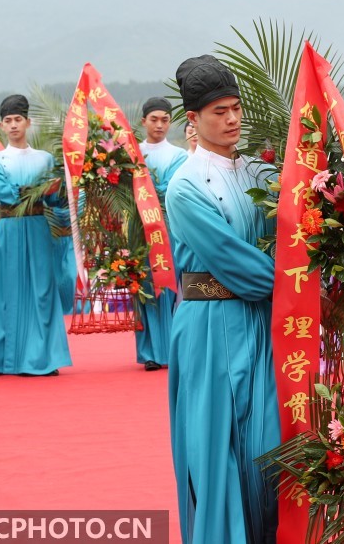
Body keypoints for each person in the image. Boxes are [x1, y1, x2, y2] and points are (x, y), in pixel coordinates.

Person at [166, 55, 279, 543]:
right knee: (217, 449)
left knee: (268, 444)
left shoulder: (259, 172)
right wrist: (303, 284)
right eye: (218, 112)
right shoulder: (184, 185)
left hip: (263, 322)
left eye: (235, 108)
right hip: (210, 326)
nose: (231, 119)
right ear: (193, 120)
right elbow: (243, 267)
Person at [0, 94, 71, 376]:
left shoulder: (45, 159)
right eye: (8, 120)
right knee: (8, 290)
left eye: (18, 119)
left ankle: (44, 358)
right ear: (2, 125)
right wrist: (42, 190)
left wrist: (70, 187)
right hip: (10, 230)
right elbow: (7, 195)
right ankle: (6, 358)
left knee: (43, 290)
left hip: (39, 228)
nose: (14, 125)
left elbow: (55, 200)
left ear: (29, 122)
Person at [137, 96, 188, 371]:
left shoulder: (179, 155)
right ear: (143, 121)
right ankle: (150, 351)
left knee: (170, 284)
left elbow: (171, 189)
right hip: (140, 228)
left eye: (165, 120)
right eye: (154, 119)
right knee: (145, 285)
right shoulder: (131, 154)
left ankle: (171, 348)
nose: (159, 125)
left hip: (168, 227)